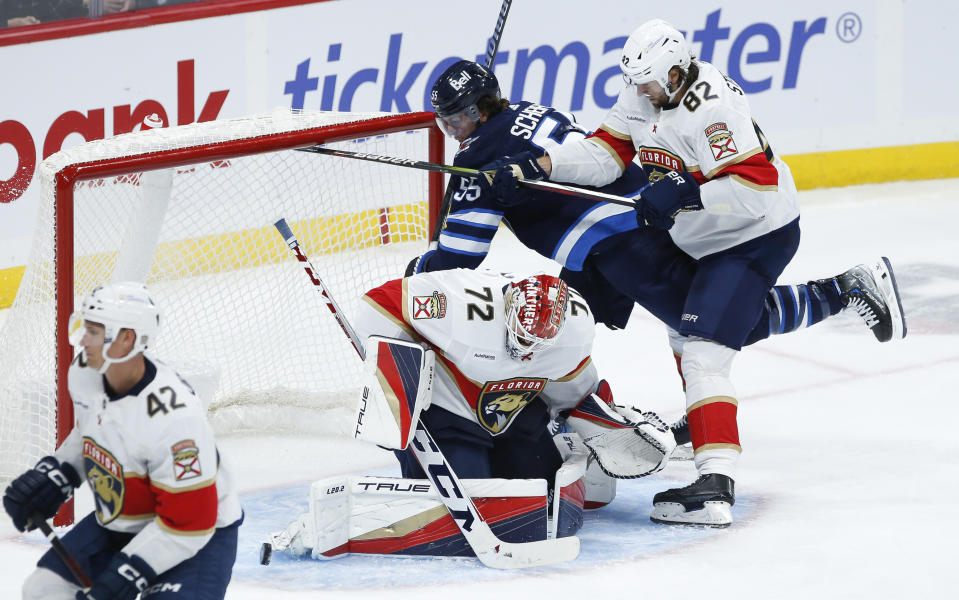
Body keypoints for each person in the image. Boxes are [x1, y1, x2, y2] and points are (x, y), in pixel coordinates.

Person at [415, 55, 905, 526]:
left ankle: (713, 475)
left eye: (457, 118)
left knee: (707, 336)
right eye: (446, 121)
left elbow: (459, 256)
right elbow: (597, 154)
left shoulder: (479, 162)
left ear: (480, 110)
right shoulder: (533, 112)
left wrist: (418, 269)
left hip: (628, 248)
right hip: (632, 230)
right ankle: (668, 415)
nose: (452, 128)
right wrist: (539, 164)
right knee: (676, 324)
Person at [3, 282, 243, 599]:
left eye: (95, 331)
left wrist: (130, 572)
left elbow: (191, 521)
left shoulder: (175, 420)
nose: (84, 341)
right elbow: (96, 429)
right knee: (43, 589)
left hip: (197, 535)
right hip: (125, 519)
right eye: (84, 328)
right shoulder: (86, 373)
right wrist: (60, 472)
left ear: (128, 338)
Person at [355, 268, 673, 485]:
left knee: (542, 487)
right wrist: (393, 389)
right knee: (470, 494)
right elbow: (379, 303)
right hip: (448, 411)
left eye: (539, 344)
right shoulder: (460, 305)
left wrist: (604, 419)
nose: (526, 351)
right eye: (521, 336)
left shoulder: (576, 329)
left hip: (518, 411)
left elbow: (576, 387)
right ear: (508, 306)